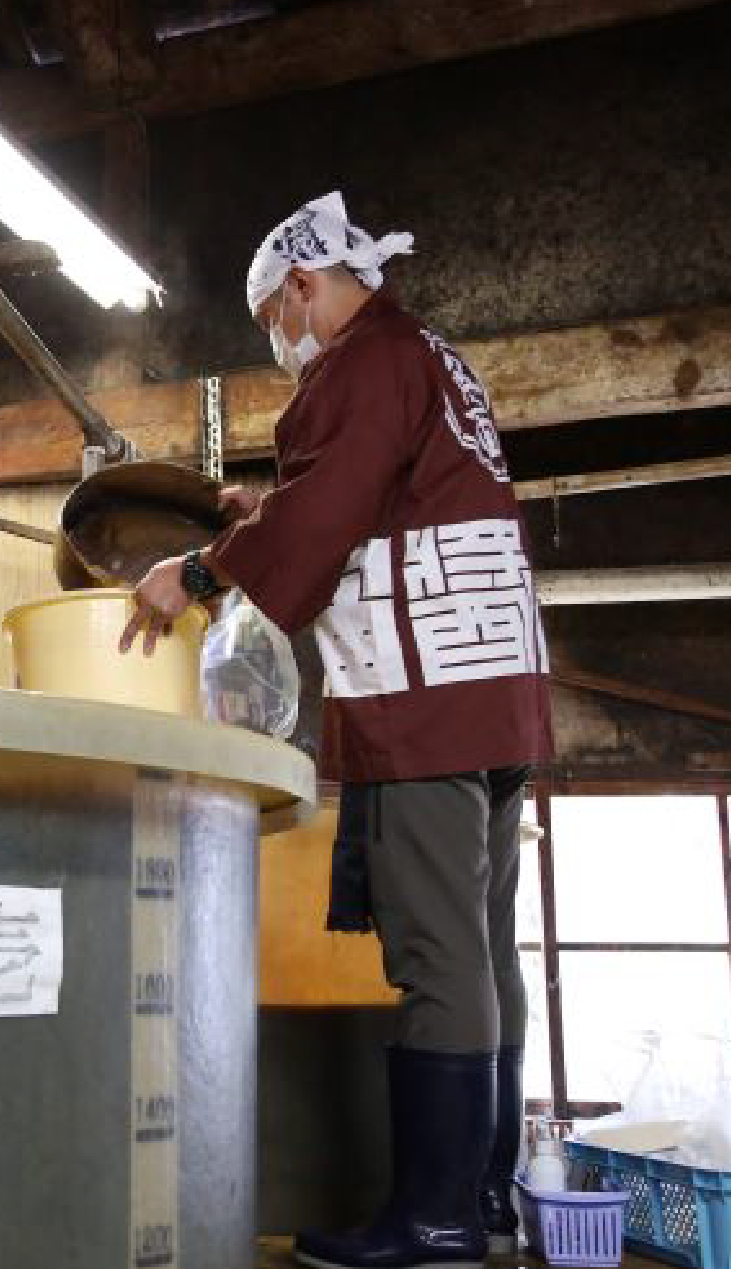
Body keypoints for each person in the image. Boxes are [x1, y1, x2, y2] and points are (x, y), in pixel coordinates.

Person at [120, 192, 554, 1269]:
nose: (281, 340)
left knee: (439, 959)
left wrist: (199, 571)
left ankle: (440, 1221)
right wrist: (255, 520)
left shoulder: (360, 364)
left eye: (275, 316)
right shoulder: (427, 359)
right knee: (485, 950)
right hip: (492, 694)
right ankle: (487, 1202)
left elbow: (329, 514)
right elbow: (359, 502)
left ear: (304, 286)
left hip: (425, 697)